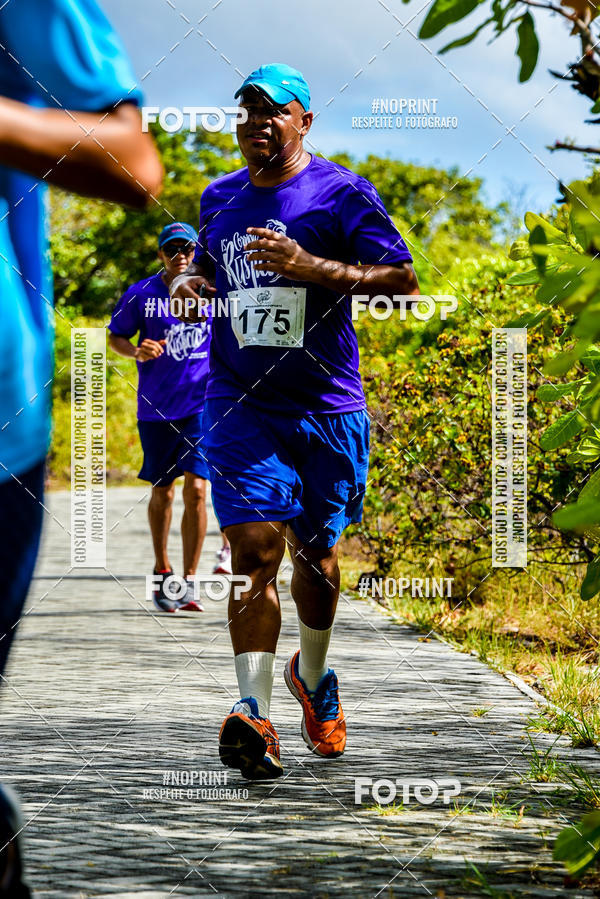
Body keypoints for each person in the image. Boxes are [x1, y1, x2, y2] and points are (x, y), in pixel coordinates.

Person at [171, 63, 419, 780]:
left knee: (317, 558)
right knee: (253, 551)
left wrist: (313, 266)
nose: (257, 123)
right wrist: (191, 284)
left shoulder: (342, 193)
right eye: (246, 112)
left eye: (273, 111)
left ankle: (311, 677)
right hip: (239, 401)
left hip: (327, 406)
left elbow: (402, 281)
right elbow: (207, 272)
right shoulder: (218, 197)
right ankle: (253, 712)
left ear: (304, 120)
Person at [0, 0, 162, 893]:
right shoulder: (145, 295)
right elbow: (123, 341)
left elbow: (131, 157)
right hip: (161, 414)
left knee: (189, 494)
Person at [108, 222, 231, 613]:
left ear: (196, 253)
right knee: (163, 491)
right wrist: (136, 351)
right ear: (160, 254)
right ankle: (163, 569)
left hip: (201, 406)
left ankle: (190, 582)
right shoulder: (141, 294)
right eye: (172, 249)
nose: (181, 255)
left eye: (188, 249)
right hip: (157, 408)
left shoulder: (210, 291)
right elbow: (116, 336)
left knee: (198, 490)